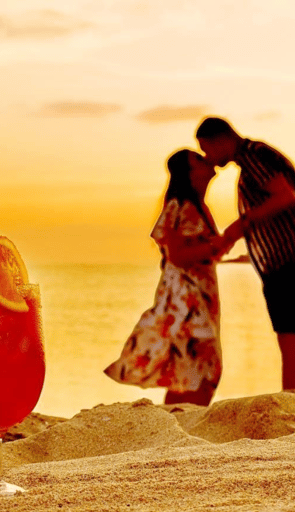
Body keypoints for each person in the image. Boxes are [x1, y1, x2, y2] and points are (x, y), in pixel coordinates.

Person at [196, 116, 295, 390]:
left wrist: (235, 229)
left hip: (285, 260)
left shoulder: (252, 156)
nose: (207, 157)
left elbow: (286, 196)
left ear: (220, 139)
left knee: (289, 338)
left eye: (206, 148)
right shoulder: (266, 154)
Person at [104, 149, 230, 406]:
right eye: (198, 159)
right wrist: (225, 239)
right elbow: (177, 255)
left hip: (199, 296)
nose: (206, 159)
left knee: (192, 368)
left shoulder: (197, 206)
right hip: (187, 298)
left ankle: (180, 427)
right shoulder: (180, 206)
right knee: (195, 367)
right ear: (189, 173)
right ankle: (181, 427)